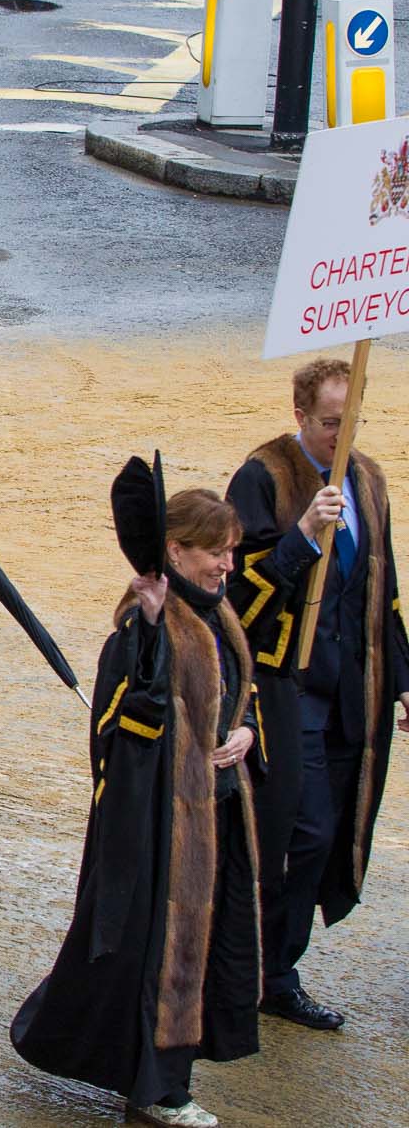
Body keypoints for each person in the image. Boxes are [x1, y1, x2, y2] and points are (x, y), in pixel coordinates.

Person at [12, 485, 262, 1128]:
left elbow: (240, 690)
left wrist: (245, 731)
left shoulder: (216, 612)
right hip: (160, 828)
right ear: (175, 550)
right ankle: (158, 1094)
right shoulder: (140, 629)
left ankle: (148, 1074)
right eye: (216, 552)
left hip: (217, 813)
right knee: (161, 961)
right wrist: (151, 632)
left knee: (197, 954)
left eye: (231, 552)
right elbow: (123, 728)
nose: (227, 565)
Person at [225, 357, 409, 1033]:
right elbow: (238, 586)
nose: (342, 433)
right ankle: (261, 968)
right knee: (297, 831)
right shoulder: (264, 475)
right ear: (302, 415)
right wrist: (303, 535)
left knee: (328, 833)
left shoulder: (369, 478)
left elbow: (380, 591)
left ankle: (277, 966)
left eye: (352, 419)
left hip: (349, 690)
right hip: (283, 686)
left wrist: (403, 677)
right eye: (331, 422)